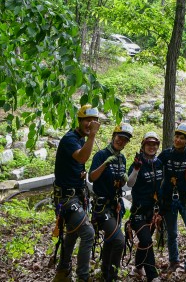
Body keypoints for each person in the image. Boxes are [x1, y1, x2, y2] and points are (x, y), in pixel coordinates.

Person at [51, 104, 100, 282]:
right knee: (87, 233)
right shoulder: (70, 139)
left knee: (72, 234)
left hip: (76, 196)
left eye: (94, 121)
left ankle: (62, 273)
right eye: (87, 120)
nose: (90, 124)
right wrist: (93, 135)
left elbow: (77, 162)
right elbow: (81, 157)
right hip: (66, 198)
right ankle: (82, 277)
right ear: (79, 121)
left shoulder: (80, 139)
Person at [89, 122, 133, 282]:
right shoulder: (101, 155)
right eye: (119, 138)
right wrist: (105, 164)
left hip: (115, 205)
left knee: (110, 239)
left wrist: (122, 181)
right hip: (102, 207)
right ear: (113, 136)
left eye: (125, 140)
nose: (121, 141)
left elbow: (117, 183)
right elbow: (91, 177)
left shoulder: (122, 158)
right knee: (119, 240)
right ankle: (112, 277)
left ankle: (105, 271)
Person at [158, 122, 186, 275]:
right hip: (169, 199)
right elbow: (154, 167)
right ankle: (174, 261)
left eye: (182, 138)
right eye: (177, 136)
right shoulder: (166, 154)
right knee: (172, 233)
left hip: (185, 200)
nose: (178, 140)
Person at [127, 131, 164, 282]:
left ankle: (138, 267)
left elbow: (162, 185)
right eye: (148, 144)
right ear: (143, 146)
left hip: (152, 212)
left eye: (154, 144)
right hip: (138, 211)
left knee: (144, 241)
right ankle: (152, 275)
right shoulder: (138, 163)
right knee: (147, 241)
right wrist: (136, 169)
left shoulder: (159, 163)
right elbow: (129, 183)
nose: (151, 147)